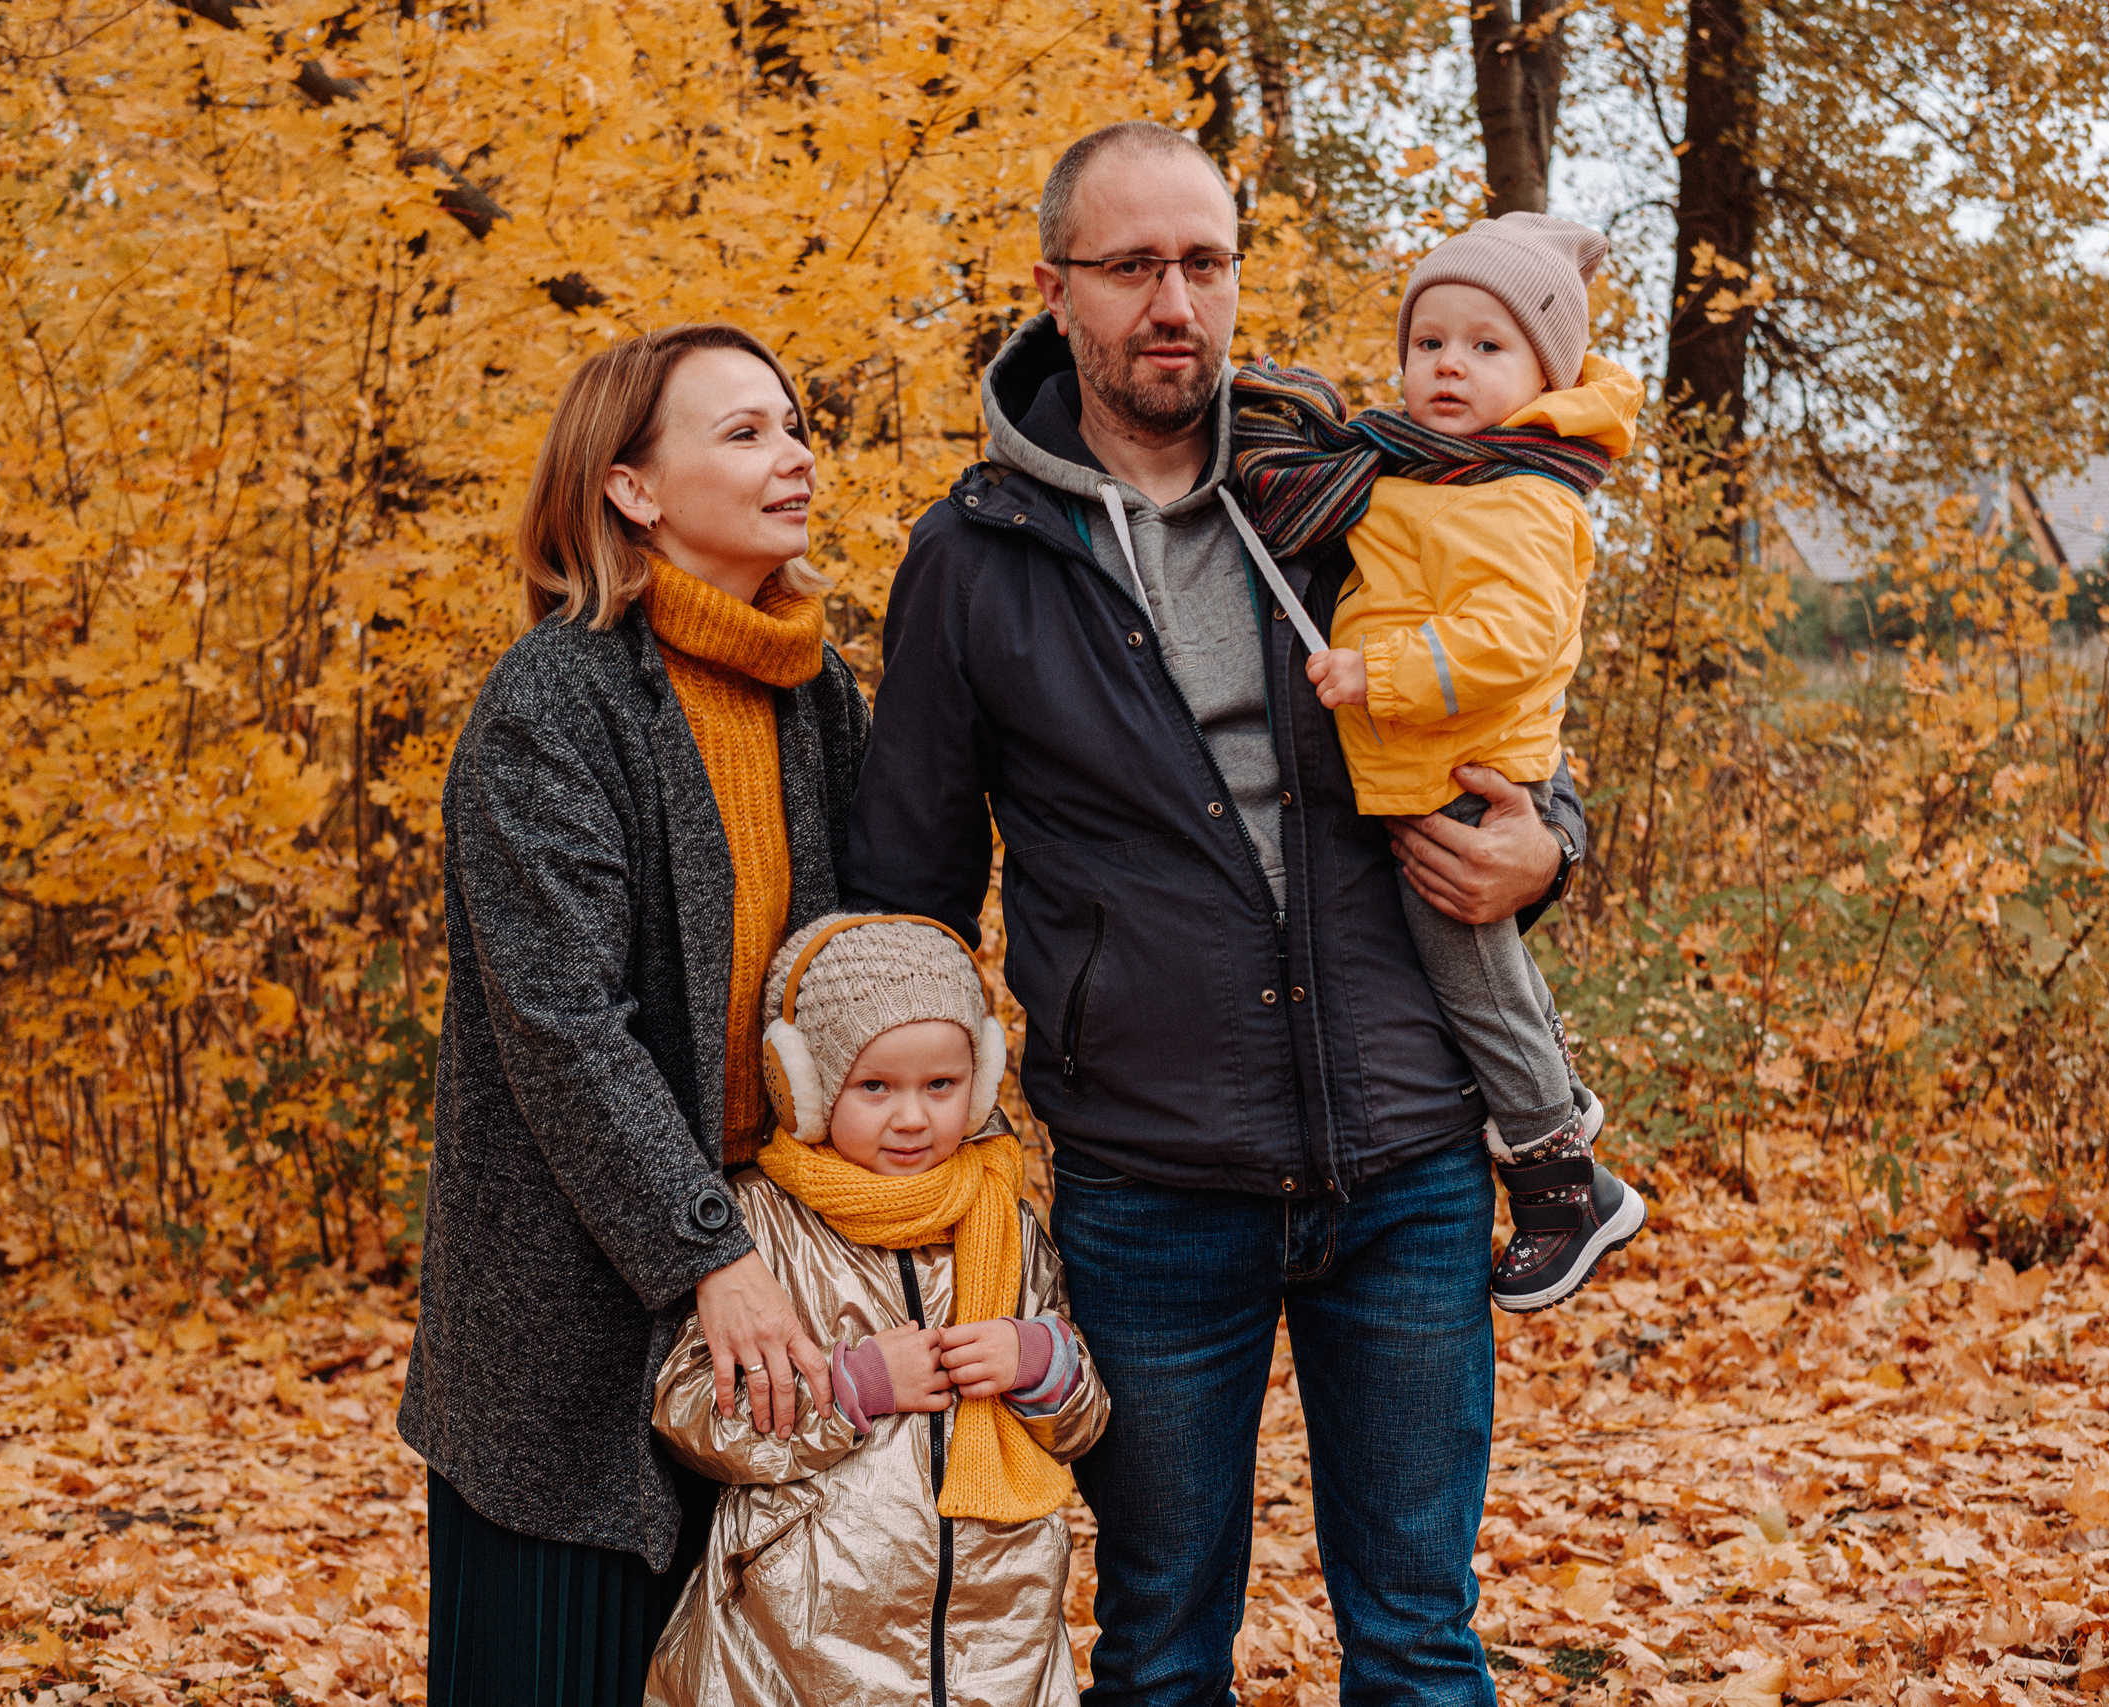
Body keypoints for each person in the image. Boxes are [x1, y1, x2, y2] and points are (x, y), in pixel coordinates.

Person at [844, 120, 1588, 1707]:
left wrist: (1552, 849)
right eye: (1132, 268)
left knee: (1420, 1637)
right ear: (1057, 292)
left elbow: (1515, 709)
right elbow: (904, 895)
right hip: (1148, 1181)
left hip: (1411, 1158)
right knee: (1161, 1645)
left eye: (1204, 262)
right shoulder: (975, 560)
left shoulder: (1346, 485)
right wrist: (910, 1156)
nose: (1175, 300)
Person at [399, 322, 863, 1704]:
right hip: (575, 1315)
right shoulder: (558, 697)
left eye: (793, 424)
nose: (794, 456)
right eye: (745, 432)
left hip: (779, 1281)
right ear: (633, 488)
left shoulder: (813, 690)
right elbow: (562, 1021)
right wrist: (704, 1255)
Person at [1230, 212, 1648, 1312]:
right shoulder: (1429, 474)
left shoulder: (1523, 497)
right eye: (1429, 343)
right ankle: (1555, 1102)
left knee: (1472, 977)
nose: (1449, 365)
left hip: (1462, 776)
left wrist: (1382, 673)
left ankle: (1563, 1178)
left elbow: (1512, 641)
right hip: (1422, 769)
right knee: (1476, 975)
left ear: (1542, 371)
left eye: (1486, 346)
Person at [645, 911, 1110, 1707]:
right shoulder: (763, 1227)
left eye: (940, 1085)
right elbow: (690, 1413)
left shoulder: (1002, 1216)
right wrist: (854, 1386)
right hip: (798, 1649)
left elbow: (1081, 1424)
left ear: (981, 1075)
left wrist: (1037, 1360)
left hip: (997, 1647)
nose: (911, 1116)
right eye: (875, 1086)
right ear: (808, 1085)